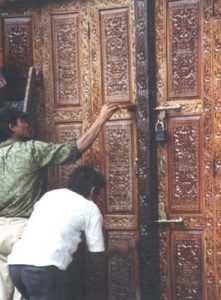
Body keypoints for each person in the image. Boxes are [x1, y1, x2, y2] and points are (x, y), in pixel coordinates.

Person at [0, 103, 119, 300]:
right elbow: (74, 149)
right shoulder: (31, 150)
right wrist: (101, 119)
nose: (28, 124)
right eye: (23, 121)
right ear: (12, 126)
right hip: (21, 231)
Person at [8, 166, 106, 300]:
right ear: (93, 190)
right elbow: (96, 255)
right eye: (99, 194)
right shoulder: (90, 208)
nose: (98, 198)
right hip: (43, 270)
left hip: (16, 266)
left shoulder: (50, 195)